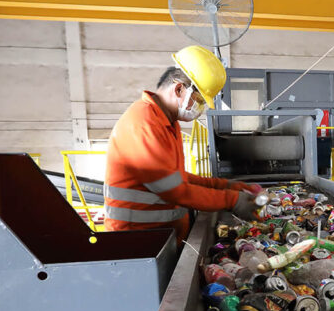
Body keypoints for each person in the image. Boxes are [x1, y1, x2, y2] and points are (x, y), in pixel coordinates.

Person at [104, 45, 260, 240]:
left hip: (161, 236)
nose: (200, 108)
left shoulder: (168, 122)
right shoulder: (144, 124)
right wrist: (232, 200)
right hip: (136, 242)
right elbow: (176, 191)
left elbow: (176, 179)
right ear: (179, 89)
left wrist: (225, 185)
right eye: (200, 100)